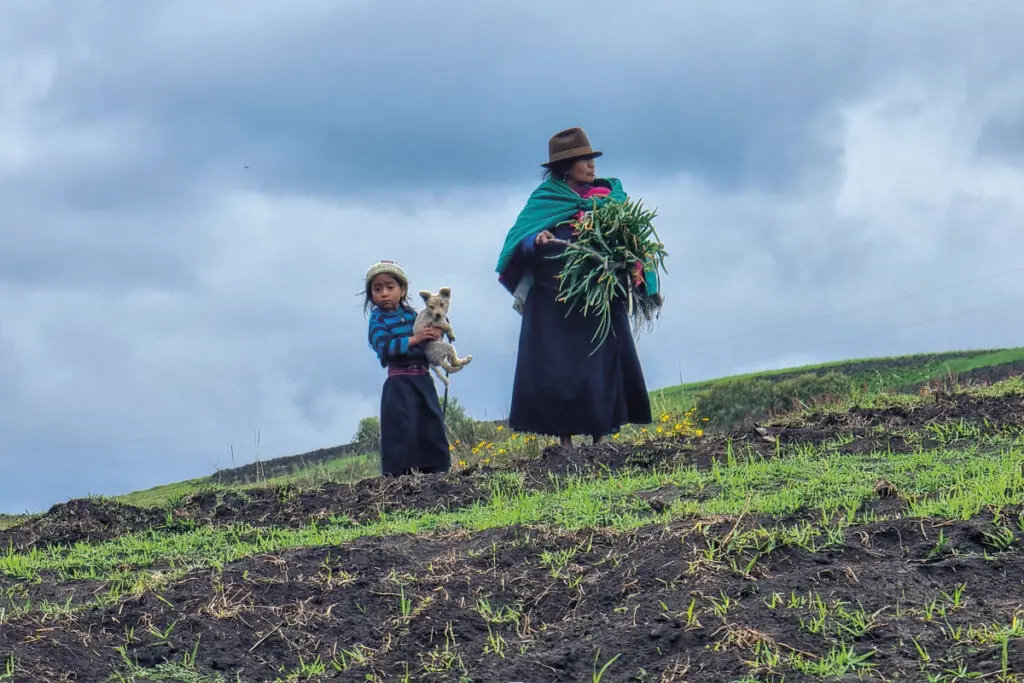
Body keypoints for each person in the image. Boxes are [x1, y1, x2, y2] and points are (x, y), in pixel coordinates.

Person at [496, 127, 655, 449]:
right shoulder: (545, 201)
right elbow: (517, 243)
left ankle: (601, 436)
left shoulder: (610, 197)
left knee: (599, 366)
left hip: (597, 299)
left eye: (591, 158)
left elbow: (631, 240)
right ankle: (564, 441)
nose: (591, 165)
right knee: (557, 369)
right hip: (552, 302)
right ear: (564, 167)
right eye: (582, 160)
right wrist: (535, 241)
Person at [364, 260, 451, 476]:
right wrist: (415, 339)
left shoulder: (414, 316)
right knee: (401, 432)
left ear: (402, 290)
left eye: (390, 287)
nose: (384, 293)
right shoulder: (377, 320)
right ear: (371, 295)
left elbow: (430, 331)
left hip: (423, 381)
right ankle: (398, 483)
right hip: (399, 384)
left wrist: (437, 332)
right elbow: (385, 347)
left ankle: (439, 475)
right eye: (377, 289)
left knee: (431, 427)